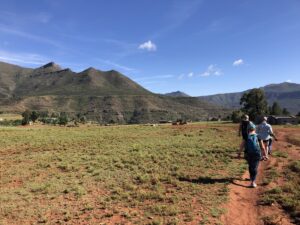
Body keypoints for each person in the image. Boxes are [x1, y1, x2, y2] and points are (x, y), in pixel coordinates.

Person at [245, 123, 266, 188]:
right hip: (257, 153)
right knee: (255, 167)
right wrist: (265, 154)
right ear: (255, 129)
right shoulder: (258, 136)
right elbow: (262, 147)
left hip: (248, 153)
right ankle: (253, 182)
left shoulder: (246, 136)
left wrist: (239, 153)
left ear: (248, 129)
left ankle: (251, 177)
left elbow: (242, 145)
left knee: (250, 166)